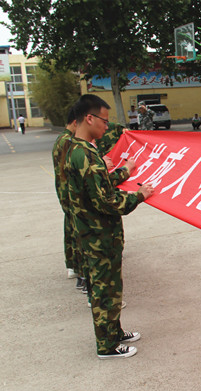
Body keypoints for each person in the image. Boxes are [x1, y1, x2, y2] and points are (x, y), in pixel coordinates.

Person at [65, 94, 154, 359]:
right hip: (98, 237)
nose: (107, 126)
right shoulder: (84, 155)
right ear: (89, 118)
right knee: (104, 290)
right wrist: (138, 196)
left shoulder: (83, 150)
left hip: (99, 235)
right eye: (104, 121)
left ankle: (114, 332)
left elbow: (100, 186)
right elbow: (106, 201)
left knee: (111, 288)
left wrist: (123, 171)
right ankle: (107, 346)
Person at [52, 107, 80, 283]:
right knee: (75, 228)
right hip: (69, 191)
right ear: (76, 123)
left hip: (64, 191)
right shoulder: (69, 141)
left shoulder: (60, 139)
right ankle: (76, 266)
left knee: (69, 226)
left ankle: (71, 265)